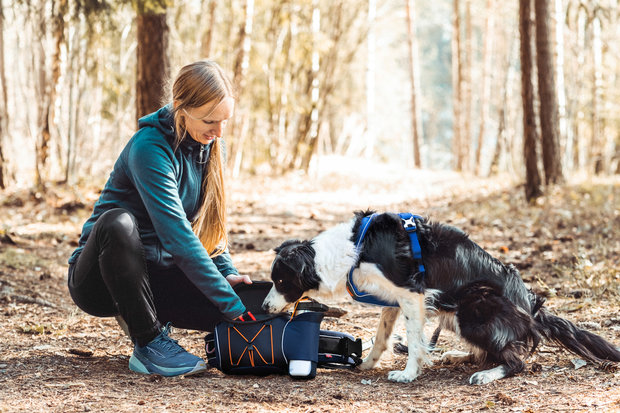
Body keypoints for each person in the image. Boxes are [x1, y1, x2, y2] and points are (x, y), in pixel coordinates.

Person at [67, 60, 254, 377]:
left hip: (157, 277)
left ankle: (145, 313)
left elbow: (211, 230)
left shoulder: (205, 145)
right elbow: (178, 237)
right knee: (117, 223)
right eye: (210, 120)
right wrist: (230, 306)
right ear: (182, 107)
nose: (219, 132)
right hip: (100, 277)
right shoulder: (149, 148)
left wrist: (228, 276)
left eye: (225, 121)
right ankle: (149, 342)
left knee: (252, 301)